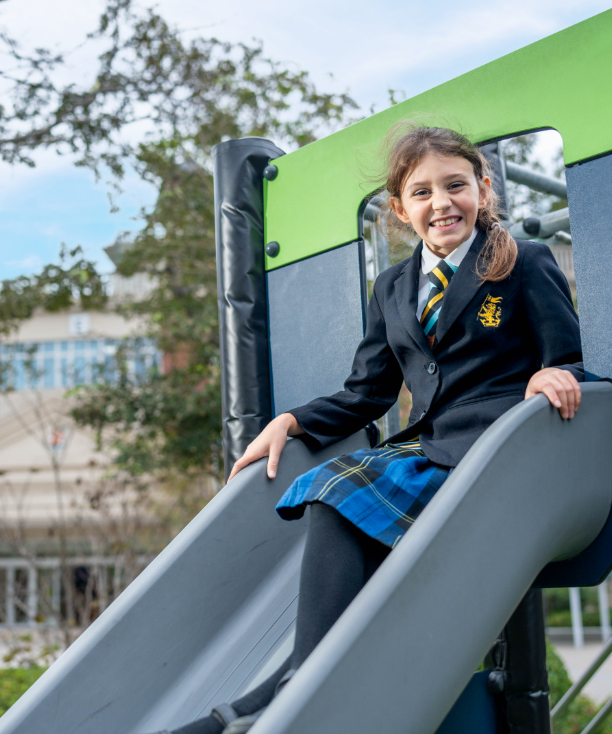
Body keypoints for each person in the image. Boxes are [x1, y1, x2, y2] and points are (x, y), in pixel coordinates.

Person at [158, 126, 583, 734]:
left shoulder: (520, 260)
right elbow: (369, 392)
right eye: (422, 192)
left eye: (455, 185)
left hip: (495, 452)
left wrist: (552, 375)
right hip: (429, 450)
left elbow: (567, 356)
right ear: (401, 210)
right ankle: (296, 686)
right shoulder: (392, 288)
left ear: (483, 190)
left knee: (343, 488)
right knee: (333, 487)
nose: (442, 202)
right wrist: (294, 420)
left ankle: (273, 697)